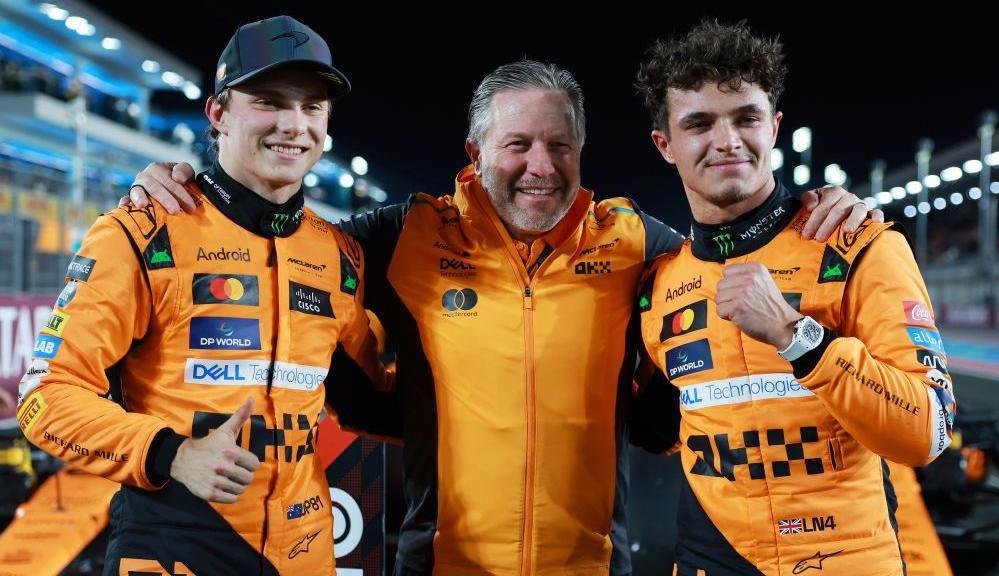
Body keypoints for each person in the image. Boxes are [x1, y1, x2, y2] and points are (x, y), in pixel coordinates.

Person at [128, 59, 876, 575]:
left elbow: (723, 254)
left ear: (583, 150)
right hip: (439, 565)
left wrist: (809, 210)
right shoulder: (403, 236)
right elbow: (277, 239)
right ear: (475, 150)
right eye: (516, 144)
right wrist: (196, 190)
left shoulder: (636, 243)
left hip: (593, 566)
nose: (540, 166)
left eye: (559, 144)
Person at [17, 16, 389, 576]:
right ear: (218, 113)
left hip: (308, 552)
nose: (294, 124)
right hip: (173, 546)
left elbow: (373, 397)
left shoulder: (339, 254)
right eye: (268, 101)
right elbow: (45, 396)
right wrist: (173, 453)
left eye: (311, 107)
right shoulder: (142, 230)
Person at [633, 20, 956, 575]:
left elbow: (929, 431)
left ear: (775, 126)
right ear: (665, 144)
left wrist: (796, 336)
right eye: (699, 123)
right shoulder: (656, 286)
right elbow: (663, 427)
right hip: (710, 560)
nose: (728, 140)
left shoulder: (859, 244)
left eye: (746, 118)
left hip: (850, 559)